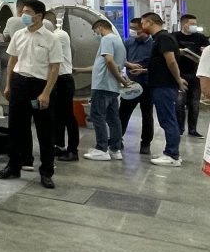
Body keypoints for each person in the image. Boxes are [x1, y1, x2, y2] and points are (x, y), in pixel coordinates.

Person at [0, 0, 61, 189]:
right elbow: (12, 61)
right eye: (22, 11)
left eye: (27, 12)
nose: (23, 15)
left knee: (44, 131)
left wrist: (46, 93)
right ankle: (13, 166)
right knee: (16, 127)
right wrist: (8, 85)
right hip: (19, 84)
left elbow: (55, 68)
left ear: (39, 16)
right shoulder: (19, 35)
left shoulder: (51, 38)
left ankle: (46, 172)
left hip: (39, 86)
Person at [139, 12, 185, 166]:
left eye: (143, 23)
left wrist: (178, 79)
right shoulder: (159, 38)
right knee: (166, 118)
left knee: (167, 119)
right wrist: (144, 70)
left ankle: (172, 155)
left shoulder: (164, 38)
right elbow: (161, 64)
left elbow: (171, 61)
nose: (141, 26)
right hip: (160, 84)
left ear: (150, 22)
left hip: (164, 86)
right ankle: (171, 152)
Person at [81, 19, 130, 161]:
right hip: (112, 87)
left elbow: (109, 61)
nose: (95, 34)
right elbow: (103, 64)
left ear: (100, 27)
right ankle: (115, 149)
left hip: (102, 85)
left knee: (97, 116)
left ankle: (101, 149)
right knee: (113, 119)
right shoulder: (118, 41)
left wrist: (121, 79)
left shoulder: (107, 39)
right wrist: (78, 70)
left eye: (95, 31)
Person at [44, 12, 78, 162]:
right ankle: (59, 146)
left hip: (63, 80)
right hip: (55, 80)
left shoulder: (59, 35)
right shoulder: (50, 36)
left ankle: (73, 150)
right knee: (56, 116)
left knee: (67, 116)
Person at [120, 17, 155, 154]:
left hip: (147, 85)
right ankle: (117, 139)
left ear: (144, 29)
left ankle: (146, 143)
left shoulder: (153, 44)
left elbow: (157, 65)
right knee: (123, 113)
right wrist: (128, 66)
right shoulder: (128, 42)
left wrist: (144, 70)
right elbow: (120, 59)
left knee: (147, 115)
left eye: (136, 29)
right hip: (131, 84)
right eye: (131, 28)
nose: (133, 31)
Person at [173, 14, 208, 137]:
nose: (194, 26)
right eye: (192, 24)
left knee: (194, 104)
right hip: (180, 74)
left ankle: (193, 130)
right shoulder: (174, 37)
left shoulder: (200, 38)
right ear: (184, 24)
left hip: (196, 75)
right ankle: (179, 129)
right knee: (179, 103)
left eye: (195, 24)